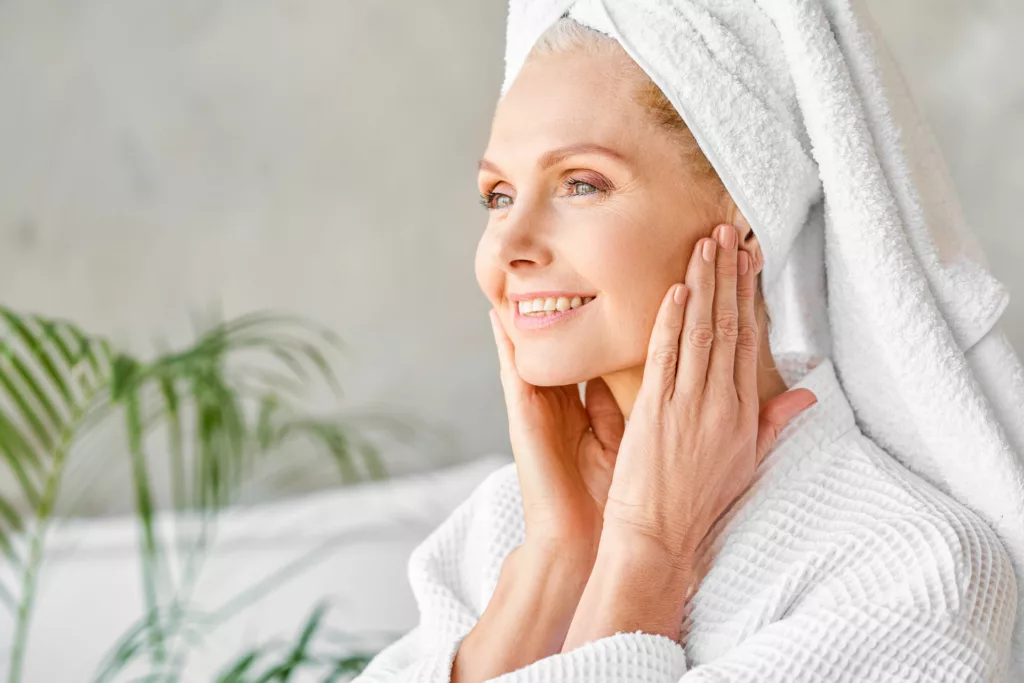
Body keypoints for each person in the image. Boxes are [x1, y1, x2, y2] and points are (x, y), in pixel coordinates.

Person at [354, 5, 1021, 682]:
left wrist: (647, 553)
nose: (508, 245)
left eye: (580, 184)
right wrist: (557, 556)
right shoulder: (503, 526)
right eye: (497, 195)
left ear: (745, 220)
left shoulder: (919, 574)